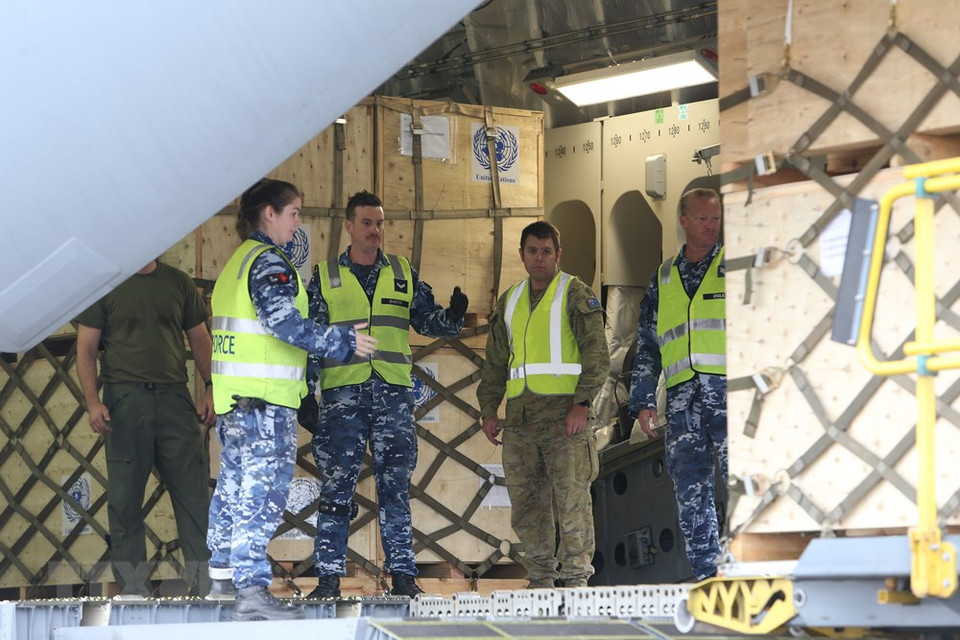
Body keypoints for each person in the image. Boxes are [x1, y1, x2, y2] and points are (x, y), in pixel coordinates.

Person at [206, 178, 377, 621]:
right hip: (264, 403)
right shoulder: (268, 263)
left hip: (235, 402)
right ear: (269, 214)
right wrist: (342, 340)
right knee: (260, 495)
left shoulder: (237, 264)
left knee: (232, 489)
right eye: (294, 213)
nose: (298, 222)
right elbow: (285, 324)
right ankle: (251, 591)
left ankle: (222, 579)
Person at [301, 190, 467, 598]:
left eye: (379, 223)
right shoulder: (324, 277)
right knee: (337, 487)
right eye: (367, 223)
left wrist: (453, 317)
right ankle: (327, 579)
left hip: (392, 396)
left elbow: (429, 322)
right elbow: (311, 340)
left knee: (396, 488)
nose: (375, 231)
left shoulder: (402, 272)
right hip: (343, 399)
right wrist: (306, 392)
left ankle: (404, 577)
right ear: (349, 227)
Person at [476, 220, 608, 589]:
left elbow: (597, 355)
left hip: (566, 419)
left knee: (572, 502)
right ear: (521, 254)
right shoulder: (510, 301)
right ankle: (540, 577)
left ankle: (576, 576)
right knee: (528, 505)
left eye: (546, 251)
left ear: (558, 255)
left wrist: (582, 404)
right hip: (519, 422)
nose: (539, 258)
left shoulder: (575, 294)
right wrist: (488, 410)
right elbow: (495, 363)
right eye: (532, 251)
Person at [76, 259, 215, 597]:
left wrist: (212, 386)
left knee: (194, 498)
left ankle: (205, 589)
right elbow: (86, 349)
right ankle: (133, 593)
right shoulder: (105, 284)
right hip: (125, 401)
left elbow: (199, 340)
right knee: (124, 502)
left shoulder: (179, 283)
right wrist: (93, 402)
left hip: (174, 399)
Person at [628, 187, 727, 581]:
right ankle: (708, 576)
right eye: (702, 218)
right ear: (684, 221)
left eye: (716, 218)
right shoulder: (664, 277)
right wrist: (643, 401)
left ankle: (752, 567)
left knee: (746, 486)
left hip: (730, 399)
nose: (710, 226)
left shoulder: (733, 265)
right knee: (691, 494)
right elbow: (648, 346)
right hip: (683, 404)